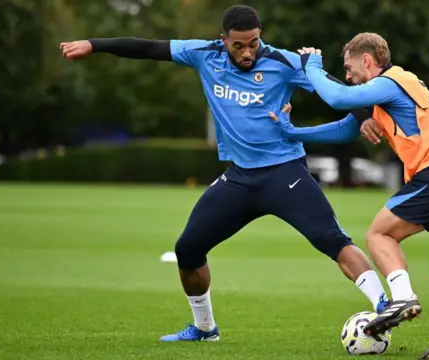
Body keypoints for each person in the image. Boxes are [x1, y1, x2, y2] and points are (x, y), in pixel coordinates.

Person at [60, 6, 390, 343]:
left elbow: (338, 91)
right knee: (187, 250)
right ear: (223, 40)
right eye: (239, 46)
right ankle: (205, 329)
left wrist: (364, 115)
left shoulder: (284, 61)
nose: (248, 52)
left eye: (254, 43)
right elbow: (148, 47)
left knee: (332, 240)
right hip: (240, 179)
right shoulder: (204, 54)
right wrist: (94, 44)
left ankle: (384, 305)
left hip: (285, 173)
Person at [268, 32, 429, 359]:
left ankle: (402, 297)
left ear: (367, 61)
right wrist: (292, 133)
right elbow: (344, 128)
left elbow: (337, 97)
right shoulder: (386, 98)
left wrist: (312, 65)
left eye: (349, 68)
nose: (347, 76)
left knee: (379, 235)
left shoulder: (392, 80)